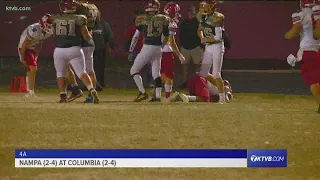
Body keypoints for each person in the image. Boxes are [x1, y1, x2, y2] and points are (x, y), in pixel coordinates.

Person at [51, 0, 99, 103]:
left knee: (61, 72)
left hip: (63, 47)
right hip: (79, 46)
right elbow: (87, 31)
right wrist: (91, 39)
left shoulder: (56, 18)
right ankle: (89, 90)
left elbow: (54, 33)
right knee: (83, 71)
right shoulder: (89, 11)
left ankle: (64, 95)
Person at [128, 0, 171, 102]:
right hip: (158, 48)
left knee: (133, 70)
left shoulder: (142, 19)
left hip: (147, 47)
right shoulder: (163, 19)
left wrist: (130, 50)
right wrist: (161, 46)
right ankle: (158, 96)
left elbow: (135, 36)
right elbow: (166, 36)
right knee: (156, 74)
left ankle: (142, 92)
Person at [285, 0, 320, 113]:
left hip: (310, 49)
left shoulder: (304, 13)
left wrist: (286, 36)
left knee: (311, 79)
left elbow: (294, 32)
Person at [67, 0, 99, 102]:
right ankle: (90, 96)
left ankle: (75, 89)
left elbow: (77, 22)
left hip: (80, 40)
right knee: (90, 70)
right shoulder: (94, 7)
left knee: (65, 65)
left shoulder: (81, 7)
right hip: (90, 40)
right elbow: (97, 22)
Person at [197, 0, 226, 104]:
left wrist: (206, 40)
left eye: (206, 6)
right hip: (208, 47)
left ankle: (222, 98)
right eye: (202, 6)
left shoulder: (217, 17)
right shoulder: (202, 17)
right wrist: (201, 37)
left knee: (216, 74)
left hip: (217, 47)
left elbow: (218, 37)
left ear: (212, 6)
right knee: (203, 72)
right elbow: (199, 29)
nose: (203, 8)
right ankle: (223, 89)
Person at [18, 14, 53, 97]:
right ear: (42, 23)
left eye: (50, 26)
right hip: (24, 47)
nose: (49, 28)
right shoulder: (34, 29)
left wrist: (36, 55)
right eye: (48, 25)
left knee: (31, 69)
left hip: (32, 48)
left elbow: (40, 43)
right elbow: (24, 44)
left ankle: (29, 91)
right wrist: (22, 58)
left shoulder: (47, 32)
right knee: (33, 68)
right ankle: (31, 92)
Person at [161, 1, 185, 99]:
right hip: (167, 52)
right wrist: (179, 55)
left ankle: (157, 94)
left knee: (160, 73)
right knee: (169, 75)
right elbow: (172, 42)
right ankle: (167, 96)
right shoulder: (172, 23)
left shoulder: (159, 20)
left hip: (156, 50)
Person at [125, 10, 153, 88]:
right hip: (135, 51)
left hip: (146, 49)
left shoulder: (147, 27)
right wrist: (129, 51)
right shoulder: (132, 28)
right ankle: (137, 84)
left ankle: (150, 82)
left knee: (149, 67)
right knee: (136, 68)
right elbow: (128, 40)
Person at [166, 74, 232, 103]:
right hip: (201, 81)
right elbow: (228, 99)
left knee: (198, 98)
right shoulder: (225, 86)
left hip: (194, 80)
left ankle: (179, 97)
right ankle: (182, 96)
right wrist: (226, 93)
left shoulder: (219, 85)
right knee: (205, 99)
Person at [92, 10, 114, 90]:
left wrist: (111, 46)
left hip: (100, 50)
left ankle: (100, 84)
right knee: (89, 68)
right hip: (88, 50)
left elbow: (110, 36)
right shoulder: (88, 24)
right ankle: (89, 84)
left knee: (99, 68)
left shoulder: (104, 24)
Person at [179, 5, 203, 79]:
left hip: (196, 47)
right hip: (185, 47)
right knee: (185, 65)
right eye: (189, 12)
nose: (190, 13)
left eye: (192, 12)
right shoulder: (184, 22)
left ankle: (198, 80)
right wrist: (181, 44)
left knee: (198, 65)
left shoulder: (198, 22)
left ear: (195, 13)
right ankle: (185, 81)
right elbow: (180, 34)